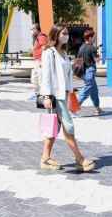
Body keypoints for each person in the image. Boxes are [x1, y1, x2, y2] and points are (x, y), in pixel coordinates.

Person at [39, 24, 95, 172]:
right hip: (55, 96)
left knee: (54, 128)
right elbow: (46, 76)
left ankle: (45, 158)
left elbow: (67, 75)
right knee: (68, 127)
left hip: (65, 95)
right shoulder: (49, 52)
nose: (66, 36)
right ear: (56, 35)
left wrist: (72, 93)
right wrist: (46, 96)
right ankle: (80, 159)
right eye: (63, 33)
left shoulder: (64, 53)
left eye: (67, 34)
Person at [77, 28, 103, 116]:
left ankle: (97, 108)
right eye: (94, 37)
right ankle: (75, 105)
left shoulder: (81, 47)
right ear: (90, 38)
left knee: (94, 90)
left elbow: (79, 61)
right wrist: (98, 54)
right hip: (90, 71)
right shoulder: (92, 48)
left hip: (84, 72)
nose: (95, 38)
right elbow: (97, 60)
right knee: (87, 89)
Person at [30, 23, 47, 100]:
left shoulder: (41, 37)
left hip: (40, 61)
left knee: (40, 79)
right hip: (36, 61)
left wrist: (42, 61)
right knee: (35, 79)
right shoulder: (37, 38)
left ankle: (41, 95)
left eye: (33, 29)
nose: (31, 31)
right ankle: (37, 94)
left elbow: (44, 48)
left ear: (37, 29)